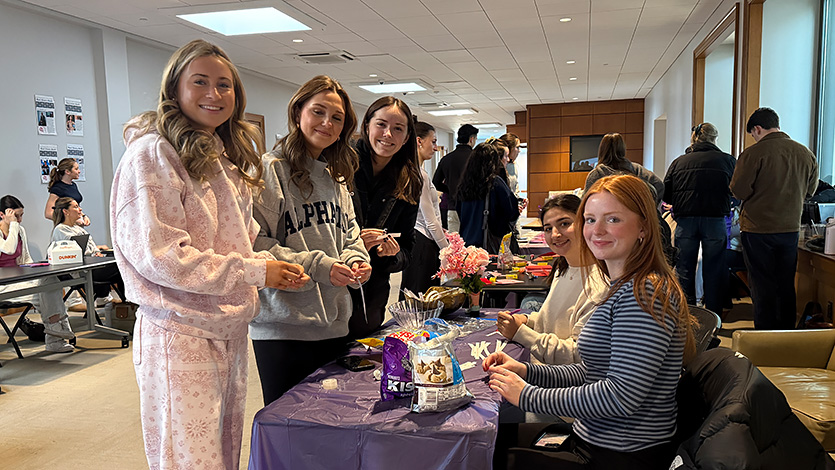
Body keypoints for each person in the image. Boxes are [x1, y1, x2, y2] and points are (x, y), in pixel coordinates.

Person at [109, 39, 308, 469]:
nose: (214, 95)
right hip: (179, 333)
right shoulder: (153, 154)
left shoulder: (221, 156)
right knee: (189, 460)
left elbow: (242, 237)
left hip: (228, 327)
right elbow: (163, 257)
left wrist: (273, 267)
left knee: (221, 453)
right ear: (175, 89)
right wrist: (256, 273)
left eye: (225, 85)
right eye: (200, 82)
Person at [484, 174, 695, 469]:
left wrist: (528, 396)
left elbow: (620, 396)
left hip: (619, 452)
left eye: (613, 220)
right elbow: (592, 371)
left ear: (644, 228)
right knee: (490, 440)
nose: (597, 231)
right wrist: (527, 371)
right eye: (591, 220)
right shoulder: (622, 284)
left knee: (485, 453)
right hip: (596, 437)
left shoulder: (645, 292)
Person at [250, 75, 371, 404]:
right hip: (282, 326)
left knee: (331, 422)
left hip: (333, 322)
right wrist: (320, 266)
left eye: (337, 118)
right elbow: (255, 243)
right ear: (297, 111)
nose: (327, 123)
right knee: (287, 427)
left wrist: (357, 259)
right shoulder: (269, 171)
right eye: (318, 112)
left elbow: (350, 233)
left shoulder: (335, 176)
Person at [730, 107, 818, 329]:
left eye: (753, 133)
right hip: (789, 228)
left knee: (762, 284)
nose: (754, 138)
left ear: (758, 128)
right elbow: (811, 190)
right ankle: (785, 331)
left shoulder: (753, 154)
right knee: (786, 282)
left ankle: (765, 333)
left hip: (757, 229)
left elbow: (739, 190)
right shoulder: (805, 153)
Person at [496, 194, 607, 365]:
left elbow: (578, 355)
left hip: (564, 385)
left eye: (564, 224)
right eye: (548, 228)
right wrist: (527, 321)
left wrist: (521, 333)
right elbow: (554, 322)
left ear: (586, 223)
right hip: (542, 370)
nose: (555, 235)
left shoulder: (598, 285)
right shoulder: (562, 268)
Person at [348, 96, 422, 339]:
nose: (388, 134)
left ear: (407, 137)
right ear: (367, 125)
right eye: (381, 124)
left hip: (373, 291)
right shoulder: (342, 164)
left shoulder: (409, 180)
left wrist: (389, 254)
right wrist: (355, 243)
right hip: (333, 286)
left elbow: (407, 250)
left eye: (398, 128)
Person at [663, 122, 735, 314]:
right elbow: (736, 190)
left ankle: (688, 315)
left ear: (694, 138)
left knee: (684, 268)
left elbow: (666, 194)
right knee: (714, 268)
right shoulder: (727, 161)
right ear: (714, 138)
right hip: (715, 220)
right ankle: (713, 316)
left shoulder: (679, 162)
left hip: (686, 221)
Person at [0, 195, 75, 353]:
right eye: (16, 216)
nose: (19, 220)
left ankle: (56, 335)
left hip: (19, 280)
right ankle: (57, 336)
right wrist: (13, 225)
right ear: (2, 215)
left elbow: (25, 258)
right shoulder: (14, 229)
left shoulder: (20, 230)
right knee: (42, 294)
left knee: (49, 280)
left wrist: (37, 269)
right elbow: (9, 249)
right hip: (3, 286)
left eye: (21, 216)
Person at [401, 120, 449, 297]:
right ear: (419, 141)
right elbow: (430, 221)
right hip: (422, 242)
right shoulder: (418, 174)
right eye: (433, 141)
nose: (435, 147)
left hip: (421, 240)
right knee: (422, 297)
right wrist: (447, 249)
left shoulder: (417, 172)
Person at [50, 197, 123, 306]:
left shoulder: (78, 228)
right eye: (75, 207)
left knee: (122, 258)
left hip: (93, 263)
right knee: (121, 265)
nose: (80, 209)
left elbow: (89, 247)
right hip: (84, 271)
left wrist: (97, 251)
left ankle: (118, 300)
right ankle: (127, 302)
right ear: (66, 211)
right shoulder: (60, 230)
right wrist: (94, 253)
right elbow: (75, 253)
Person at [457, 141, 520, 253]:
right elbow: (511, 211)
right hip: (488, 242)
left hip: (467, 242)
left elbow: (460, 212)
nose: (507, 159)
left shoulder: (464, 185)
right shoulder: (495, 182)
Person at [584, 133, 664, 206]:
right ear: (623, 149)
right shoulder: (637, 170)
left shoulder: (597, 174)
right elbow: (659, 185)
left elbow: (585, 202)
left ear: (601, 150)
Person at [433, 124, 478, 232]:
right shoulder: (476, 158)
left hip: (452, 206)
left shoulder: (447, 159)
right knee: (472, 243)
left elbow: (436, 182)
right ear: (471, 139)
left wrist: (450, 189)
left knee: (455, 243)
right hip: (472, 206)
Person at [44, 157, 90, 226]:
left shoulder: (73, 185)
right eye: (76, 169)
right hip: (66, 227)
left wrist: (83, 216)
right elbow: (48, 213)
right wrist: (70, 220)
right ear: (67, 171)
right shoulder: (57, 188)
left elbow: (74, 207)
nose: (79, 171)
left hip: (77, 226)